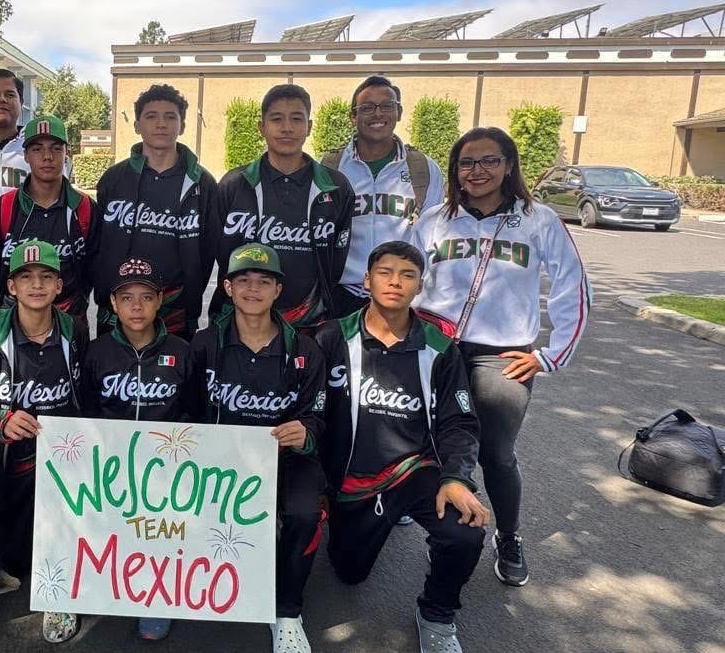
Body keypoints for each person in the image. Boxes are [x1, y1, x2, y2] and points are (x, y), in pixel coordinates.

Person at [411, 127, 591, 587]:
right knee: (428, 444)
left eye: (489, 161)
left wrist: (551, 355)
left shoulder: (539, 220)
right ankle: (443, 537)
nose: (478, 171)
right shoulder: (435, 220)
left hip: (502, 356)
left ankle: (508, 535)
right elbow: (404, 276)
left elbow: (572, 284)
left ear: (509, 165)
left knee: (496, 453)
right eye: (467, 163)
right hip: (438, 350)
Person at [316, 240, 488, 653]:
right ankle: (359, 529)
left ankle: (437, 614)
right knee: (349, 572)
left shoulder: (440, 348)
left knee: (464, 531)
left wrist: (457, 478)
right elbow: (307, 408)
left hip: (414, 473)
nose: (395, 282)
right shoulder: (331, 337)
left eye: (407, 274)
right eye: (385, 272)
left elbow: (460, 424)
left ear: (419, 285)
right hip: (350, 481)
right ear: (367, 280)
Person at [189, 244, 326, 653]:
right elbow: (187, 412)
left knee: (305, 511)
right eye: (243, 280)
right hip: (220, 461)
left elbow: (319, 415)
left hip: (282, 459)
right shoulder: (204, 344)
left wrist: (306, 432)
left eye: (264, 281)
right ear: (227, 287)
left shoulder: (305, 349)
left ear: (278, 289)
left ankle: (287, 611)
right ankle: (177, 584)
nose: (253, 288)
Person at [0, 239, 86, 644]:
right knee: (15, 557)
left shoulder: (74, 329)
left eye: (46, 276)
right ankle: (18, 556)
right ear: (11, 287)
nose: (36, 285)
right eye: (25, 277)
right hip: (15, 463)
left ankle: (63, 592)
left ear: (59, 285)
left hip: (68, 458)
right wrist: (0, 420)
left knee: (69, 531)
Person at [79, 257, 195, 642]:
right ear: (112, 304)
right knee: (103, 531)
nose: (136, 307)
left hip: (165, 470)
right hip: (110, 466)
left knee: (158, 533)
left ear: (160, 300)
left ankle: (155, 597)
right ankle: (80, 591)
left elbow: (193, 413)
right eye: (126, 297)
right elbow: (84, 411)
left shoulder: (181, 351)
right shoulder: (96, 353)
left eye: (146, 297)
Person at [210, 84, 353, 329]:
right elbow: (220, 252)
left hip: (310, 323)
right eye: (277, 119)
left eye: (296, 119)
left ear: (309, 126)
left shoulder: (336, 187)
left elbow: (336, 260)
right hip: (241, 323)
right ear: (261, 127)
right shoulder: (234, 184)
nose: (287, 128)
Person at [89, 83, 217, 339]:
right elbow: (96, 245)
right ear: (137, 125)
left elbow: (209, 250)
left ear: (182, 125)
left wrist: (190, 296)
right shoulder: (114, 179)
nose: (161, 124)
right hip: (119, 310)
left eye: (171, 117)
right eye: (151, 116)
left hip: (176, 315)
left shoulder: (202, 183)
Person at [320, 75, 444, 317]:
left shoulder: (424, 169)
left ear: (398, 112)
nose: (378, 114)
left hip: (400, 297)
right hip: (343, 296)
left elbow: (433, 239)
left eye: (387, 106)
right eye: (367, 108)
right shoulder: (330, 168)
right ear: (353, 117)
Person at [0, 114, 93, 327]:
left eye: (56, 148)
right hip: (13, 326)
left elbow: (93, 271)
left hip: (69, 326)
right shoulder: (6, 206)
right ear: (25, 155)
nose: (47, 156)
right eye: (37, 149)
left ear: (66, 154)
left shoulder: (84, 208)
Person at [0, 69, 70, 208]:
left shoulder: (37, 149)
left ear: (21, 103)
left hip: (28, 229)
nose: (1, 99)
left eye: (10, 94)